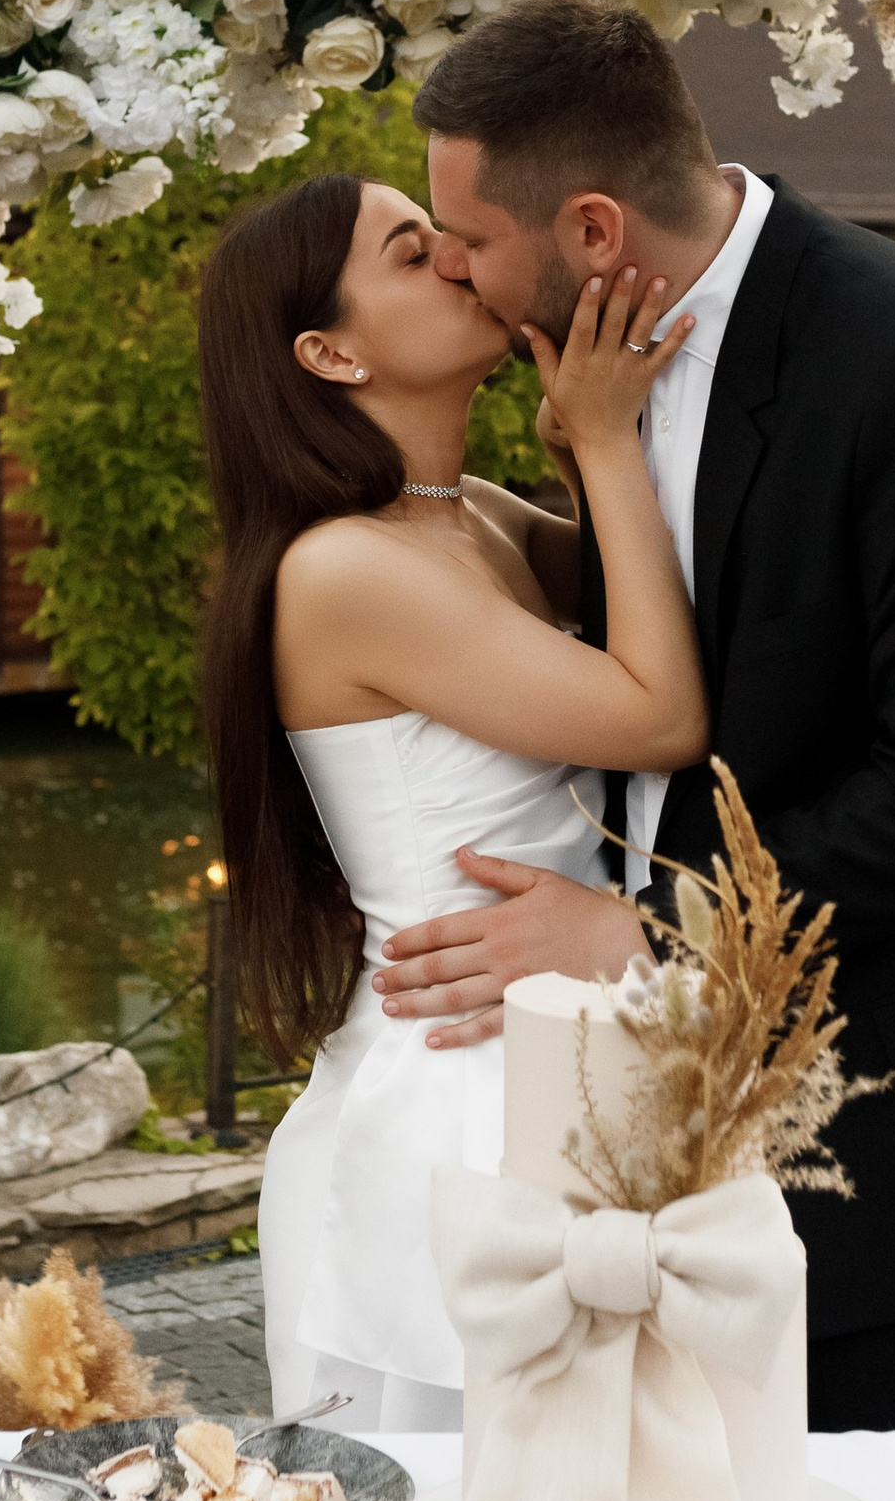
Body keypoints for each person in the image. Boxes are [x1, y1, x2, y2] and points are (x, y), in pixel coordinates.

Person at [382, 0, 895, 1433]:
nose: (456, 269)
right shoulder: (587, 365)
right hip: (672, 1122)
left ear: (594, 229)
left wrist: (645, 933)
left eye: (472, 238)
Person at [197, 163, 707, 1432]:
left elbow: (657, 592)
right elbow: (659, 714)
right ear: (329, 353)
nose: (460, 263)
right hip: (455, 1098)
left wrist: (581, 450)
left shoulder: (466, 515)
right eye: (411, 254)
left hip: (564, 1040)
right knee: (475, 1496)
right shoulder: (342, 569)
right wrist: (602, 438)